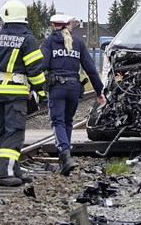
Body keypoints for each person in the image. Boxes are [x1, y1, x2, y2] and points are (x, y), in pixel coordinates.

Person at [0, 0, 46, 187]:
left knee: (5, 132)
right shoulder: (28, 40)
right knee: (15, 133)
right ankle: (5, 173)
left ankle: (15, 170)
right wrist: (41, 93)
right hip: (16, 93)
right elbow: (35, 70)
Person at [41, 14, 106, 176]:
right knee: (67, 121)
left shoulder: (49, 43)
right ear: (70, 24)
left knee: (57, 121)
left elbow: (42, 65)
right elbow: (91, 69)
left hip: (57, 87)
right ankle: (65, 158)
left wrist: (35, 87)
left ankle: (64, 153)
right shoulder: (78, 43)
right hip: (74, 87)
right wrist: (99, 91)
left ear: (53, 25)